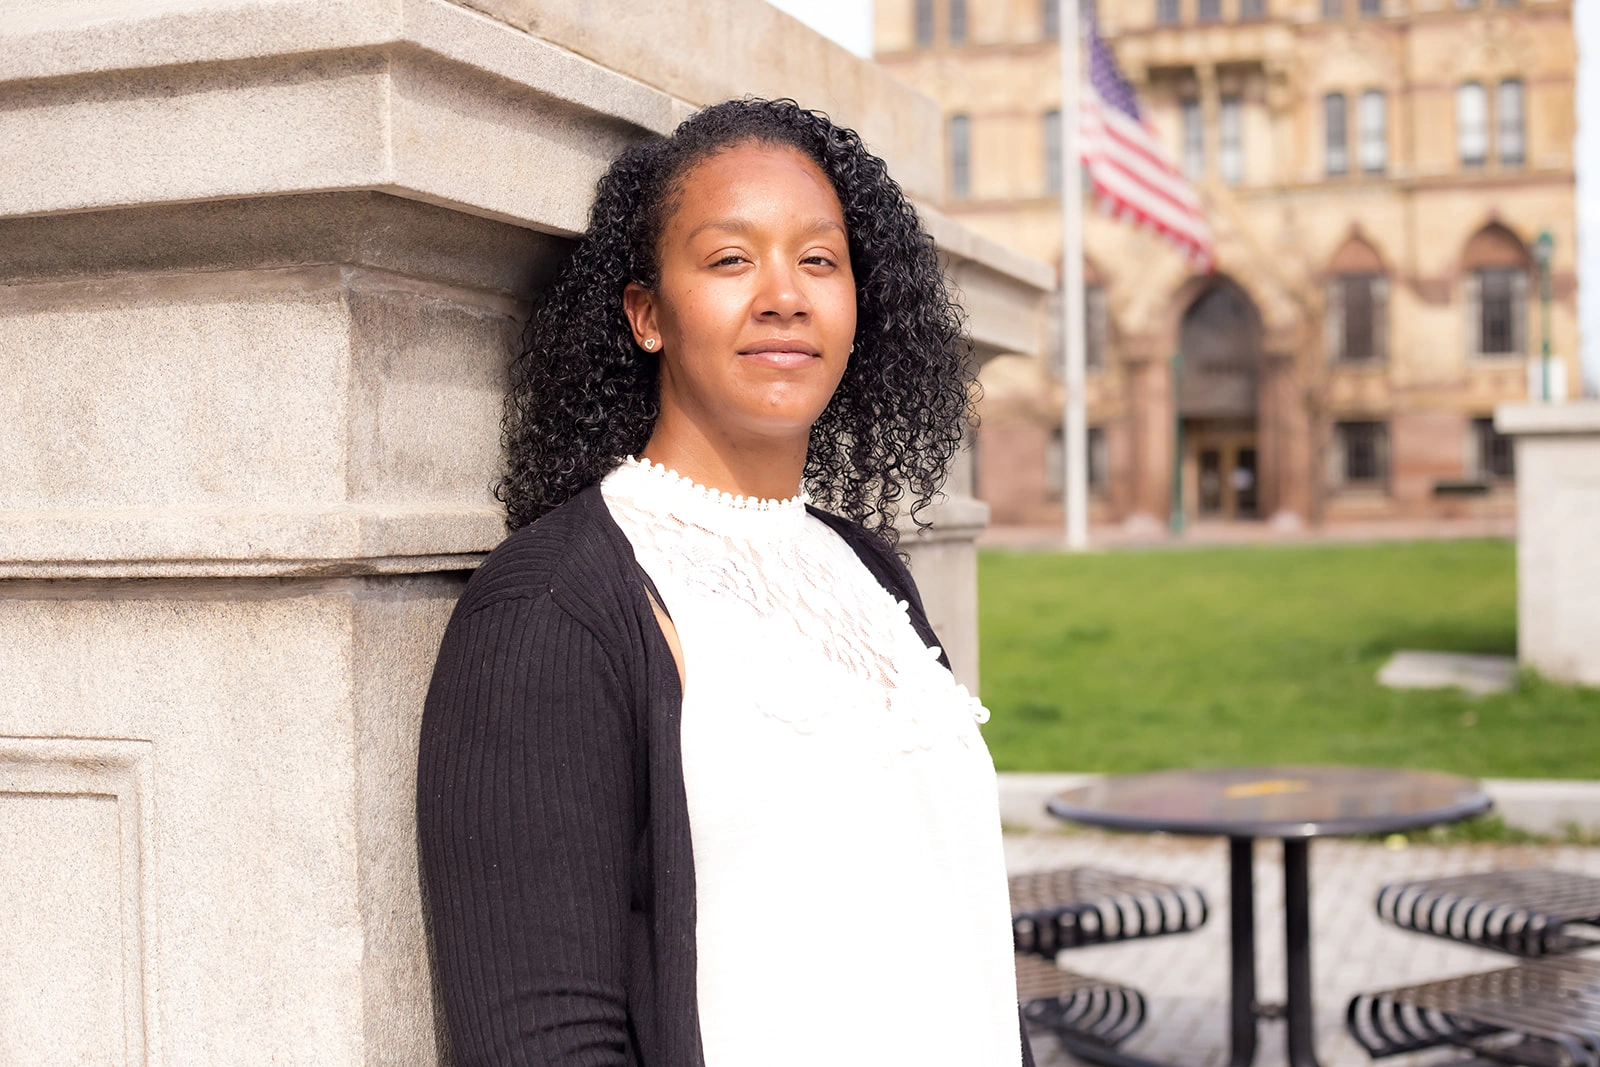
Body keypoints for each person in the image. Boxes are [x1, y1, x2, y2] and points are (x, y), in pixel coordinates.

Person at [417, 98, 1030, 1067]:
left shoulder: (866, 569)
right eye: (730, 259)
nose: (785, 294)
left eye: (819, 261)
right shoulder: (558, 603)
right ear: (647, 313)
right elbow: (541, 1036)